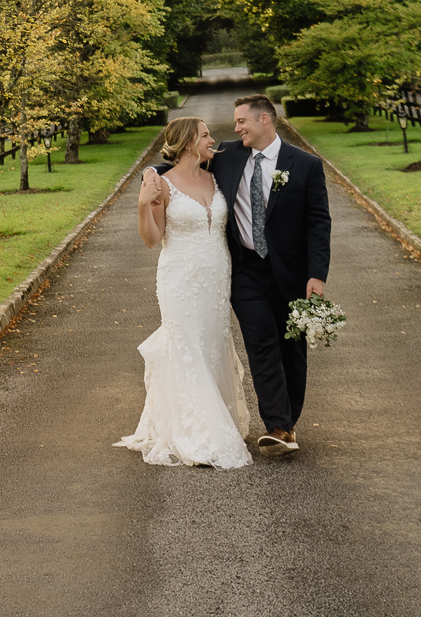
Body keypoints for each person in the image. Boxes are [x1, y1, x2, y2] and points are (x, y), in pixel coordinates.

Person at [114, 116, 254, 468]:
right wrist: (143, 203)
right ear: (190, 142)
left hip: (218, 277)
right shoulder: (162, 184)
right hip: (179, 278)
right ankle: (196, 430)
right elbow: (152, 240)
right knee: (186, 344)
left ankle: (216, 417)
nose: (212, 140)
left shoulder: (216, 175)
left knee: (212, 341)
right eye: (206, 135)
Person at [210, 93, 332, 457]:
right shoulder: (228, 156)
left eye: (241, 121)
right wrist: (154, 171)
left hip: (292, 274)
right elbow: (186, 161)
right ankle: (277, 425)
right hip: (246, 271)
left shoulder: (306, 165)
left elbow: (318, 222)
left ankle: (289, 422)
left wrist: (316, 274)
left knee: (291, 350)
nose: (236, 128)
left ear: (264, 120)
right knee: (261, 346)